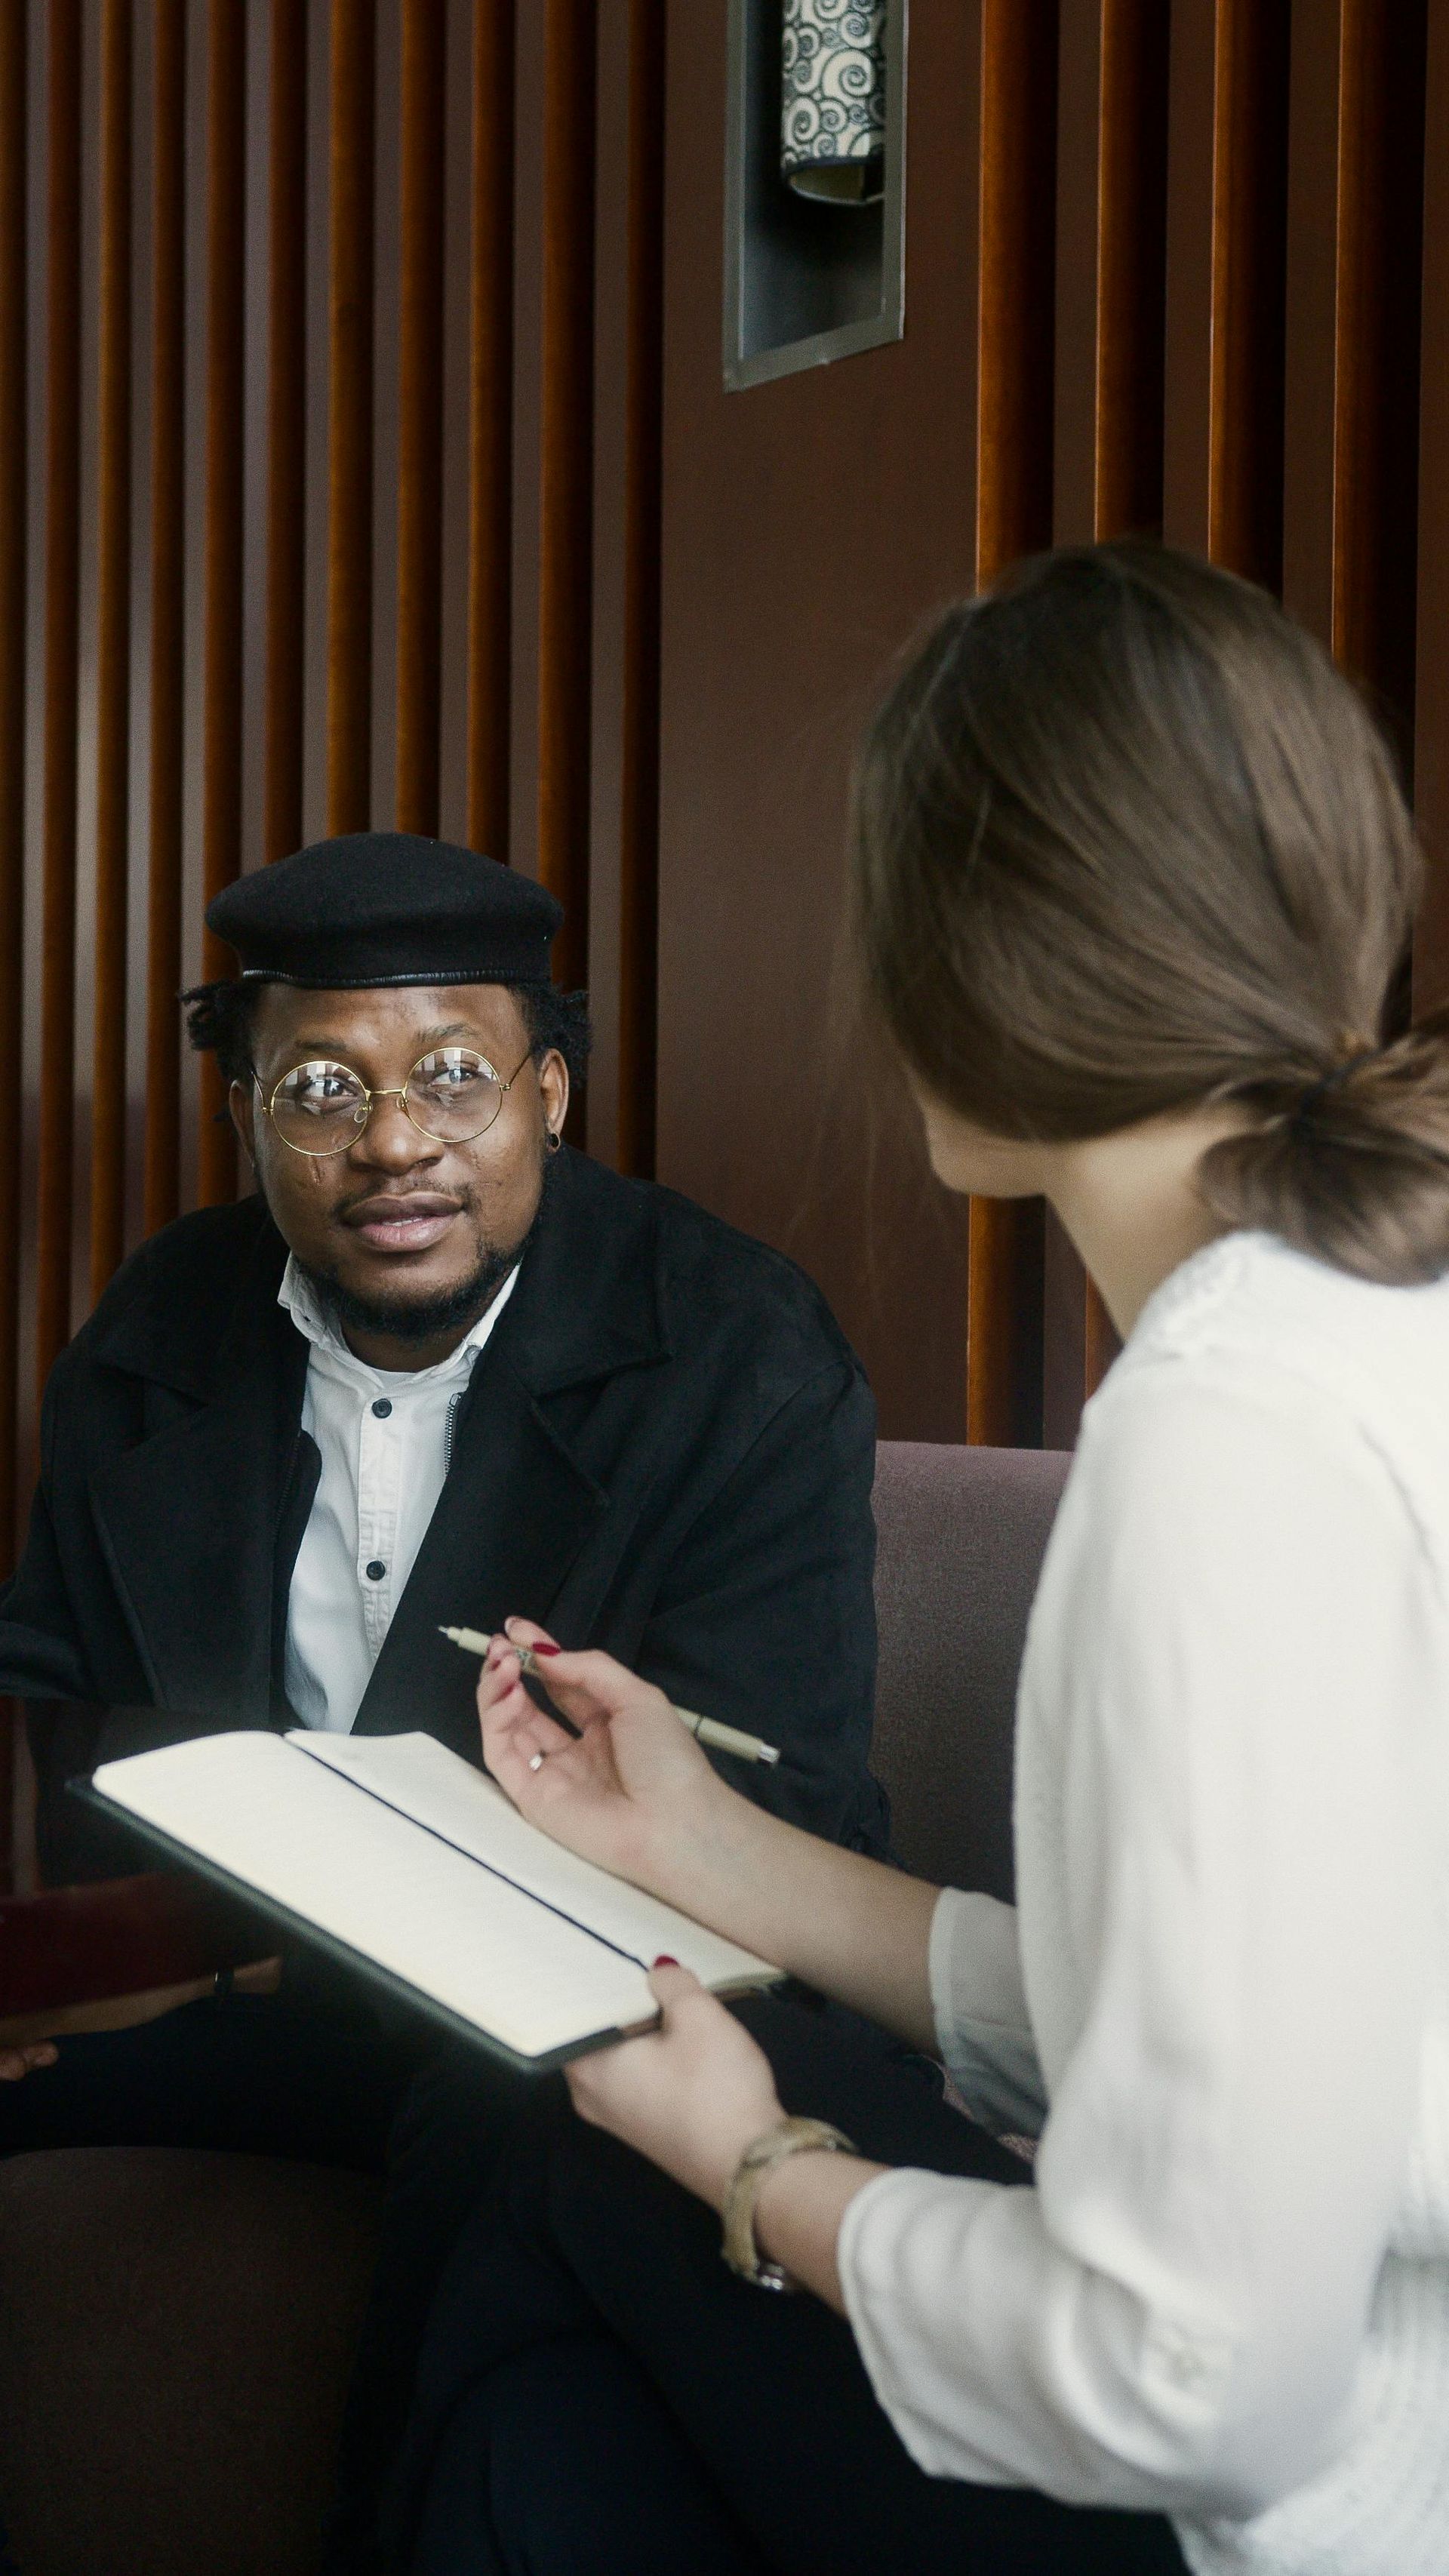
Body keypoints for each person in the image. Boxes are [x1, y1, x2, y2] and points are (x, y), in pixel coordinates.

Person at [387, 544, 1449, 2576]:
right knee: (560, 2441)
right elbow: (1266, 2033)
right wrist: (703, 1846)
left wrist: (759, 2159)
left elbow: (1202, 2377)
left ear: (961, 960)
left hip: (1316, 2514)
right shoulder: (1373, 1324)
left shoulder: (1227, 1433)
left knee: (557, 2172)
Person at [0, 832, 885, 2564]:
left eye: (455, 1076)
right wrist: (59, 1955)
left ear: (551, 1092)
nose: (395, 1142)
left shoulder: (735, 1347)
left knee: (519, 2131)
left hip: (569, 2023)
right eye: (322, 1086)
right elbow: (51, 1679)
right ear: (247, 1110)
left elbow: (790, 1811)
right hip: (238, 1994)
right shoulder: (158, 1327)